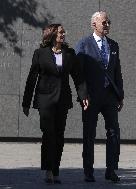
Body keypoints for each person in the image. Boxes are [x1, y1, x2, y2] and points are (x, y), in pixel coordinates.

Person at [22, 24, 89, 184]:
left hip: (63, 100)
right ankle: (48, 170)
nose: (63, 34)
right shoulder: (40, 53)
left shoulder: (70, 53)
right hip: (45, 99)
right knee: (48, 133)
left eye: (64, 32)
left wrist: (83, 95)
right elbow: (32, 78)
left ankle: (56, 170)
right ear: (52, 34)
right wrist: (26, 102)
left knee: (59, 135)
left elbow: (78, 77)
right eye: (60, 32)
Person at [75, 11, 124, 183]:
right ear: (94, 24)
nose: (108, 25)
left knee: (114, 133)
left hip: (110, 96)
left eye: (109, 22)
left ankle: (111, 170)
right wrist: (82, 95)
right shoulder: (83, 44)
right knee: (89, 134)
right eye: (104, 22)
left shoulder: (114, 45)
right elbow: (78, 73)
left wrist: (120, 95)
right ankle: (88, 171)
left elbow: (117, 72)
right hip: (91, 98)